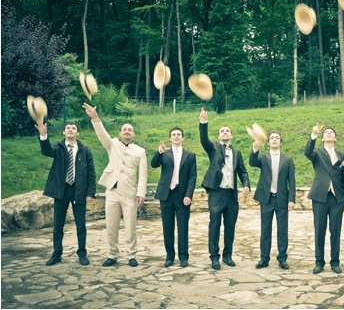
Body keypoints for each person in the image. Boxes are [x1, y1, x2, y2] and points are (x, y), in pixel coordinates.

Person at [82, 102, 147, 267]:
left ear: (134, 134)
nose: (126, 131)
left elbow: (143, 174)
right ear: (120, 132)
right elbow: (101, 134)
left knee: (130, 226)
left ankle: (132, 255)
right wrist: (95, 118)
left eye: (129, 130)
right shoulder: (112, 145)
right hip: (112, 191)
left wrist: (141, 193)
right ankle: (112, 255)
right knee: (111, 225)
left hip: (130, 193)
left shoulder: (140, 151)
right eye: (124, 129)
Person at [35, 119, 96, 266]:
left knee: (80, 225)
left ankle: (82, 253)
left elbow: (91, 173)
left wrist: (90, 192)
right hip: (61, 191)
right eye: (67, 128)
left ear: (78, 132)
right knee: (58, 225)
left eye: (73, 128)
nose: (70, 130)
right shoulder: (58, 147)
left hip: (78, 191)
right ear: (64, 132)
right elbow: (46, 151)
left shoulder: (85, 150)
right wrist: (43, 136)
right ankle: (57, 254)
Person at [199, 107, 250, 270]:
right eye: (222, 131)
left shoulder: (237, 151)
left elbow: (242, 170)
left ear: (231, 135)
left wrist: (246, 184)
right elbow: (203, 140)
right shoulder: (213, 147)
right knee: (214, 225)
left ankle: (227, 255)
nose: (225, 133)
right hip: (217, 193)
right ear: (219, 135)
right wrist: (203, 122)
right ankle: (214, 257)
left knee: (230, 226)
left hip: (231, 195)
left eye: (227, 131)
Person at [304, 124, 344, 274]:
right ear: (323, 138)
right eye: (326, 132)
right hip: (320, 196)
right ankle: (319, 262)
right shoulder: (316, 152)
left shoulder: (342, 155)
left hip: (337, 198)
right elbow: (307, 152)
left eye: (332, 132)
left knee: (335, 230)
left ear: (335, 138)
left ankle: (335, 262)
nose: (329, 134)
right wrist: (313, 135)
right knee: (320, 230)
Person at [150, 127, 197, 268]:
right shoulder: (164, 153)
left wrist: (189, 194)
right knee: (168, 227)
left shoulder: (190, 155)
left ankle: (183, 257)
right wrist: (159, 152)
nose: (176, 136)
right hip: (166, 195)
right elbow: (154, 164)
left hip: (182, 195)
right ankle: (169, 256)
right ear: (170, 138)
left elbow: (192, 176)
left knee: (183, 227)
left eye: (178, 134)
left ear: (182, 138)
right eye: (173, 135)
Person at [250, 130, 296, 270]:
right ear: (268, 142)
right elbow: (252, 162)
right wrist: (255, 148)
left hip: (282, 199)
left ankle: (282, 259)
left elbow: (292, 181)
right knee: (265, 230)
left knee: (282, 231)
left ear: (280, 142)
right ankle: (264, 258)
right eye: (272, 138)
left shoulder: (287, 159)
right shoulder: (263, 157)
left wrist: (291, 199)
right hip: (266, 199)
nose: (274, 140)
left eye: (277, 138)